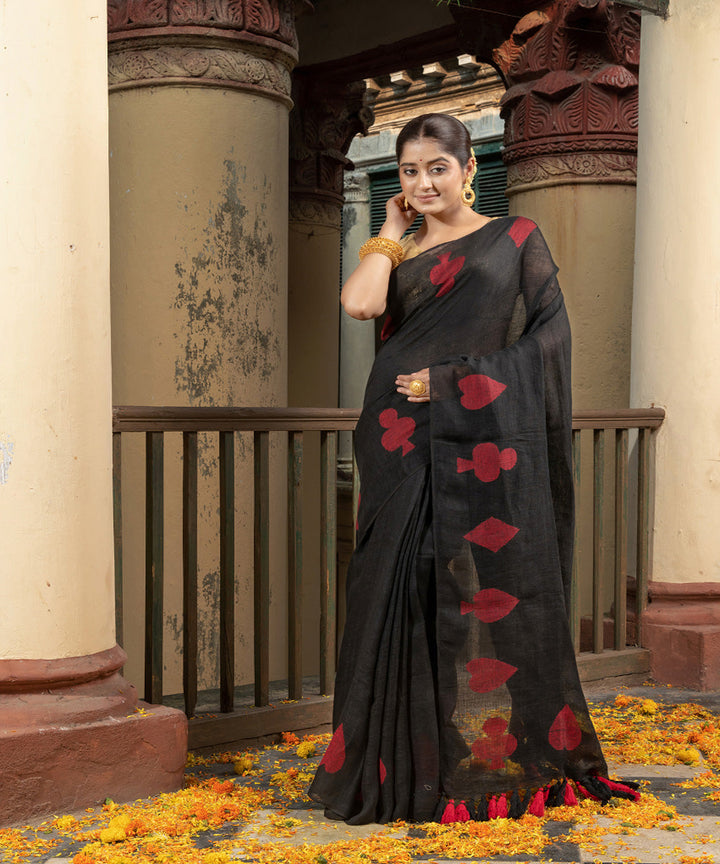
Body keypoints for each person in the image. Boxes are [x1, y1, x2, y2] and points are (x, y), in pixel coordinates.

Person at [309, 113, 637, 825]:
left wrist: (454, 381)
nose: (423, 182)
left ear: (468, 169)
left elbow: (551, 339)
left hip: (482, 430)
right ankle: (406, 760)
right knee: (398, 588)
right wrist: (391, 236)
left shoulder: (514, 239)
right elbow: (361, 303)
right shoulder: (396, 250)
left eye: (437, 168)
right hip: (397, 438)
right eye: (408, 171)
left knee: (493, 588)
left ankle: (523, 747)